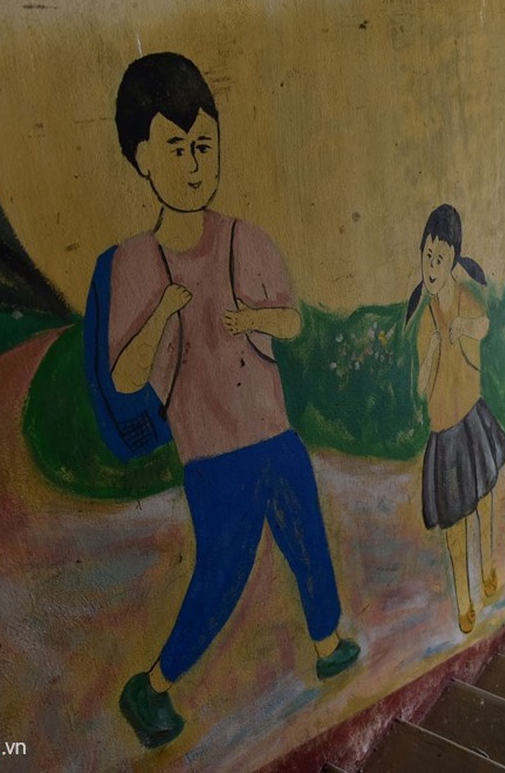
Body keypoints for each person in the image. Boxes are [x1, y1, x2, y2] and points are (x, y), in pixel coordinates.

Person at [107, 52, 359, 749]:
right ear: (142, 159)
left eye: (203, 147)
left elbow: (293, 319)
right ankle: (153, 685)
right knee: (223, 570)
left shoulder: (246, 239)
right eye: (176, 149)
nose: (193, 164)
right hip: (211, 451)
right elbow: (127, 378)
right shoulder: (138, 263)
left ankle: (328, 638)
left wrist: (254, 318)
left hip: (271, 429)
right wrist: (161, 313)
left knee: (305, 528)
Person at [405, 204, 505, 635]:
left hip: (472, 416)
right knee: (454, 524)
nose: (431, 267)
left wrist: (463, 327)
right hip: (444, 432)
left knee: (484, 501)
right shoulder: (425, 322)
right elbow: (422, 388)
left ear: (453, 263)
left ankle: (486, 566)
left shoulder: (465, 299)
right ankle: (464, 600)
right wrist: (432, 353)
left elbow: (483, 325)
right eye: (427, 256)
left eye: (440, 260)